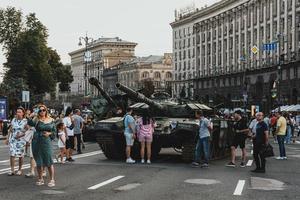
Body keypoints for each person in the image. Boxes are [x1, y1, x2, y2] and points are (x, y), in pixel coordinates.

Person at [28, 104, 56, 187]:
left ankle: (52, 179)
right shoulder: (36, 119)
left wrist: (49, 133)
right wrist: (30, 116)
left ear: (46, 110)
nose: (42, 112)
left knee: (48, 160)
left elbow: (54, 132)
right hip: (36, 141)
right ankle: (40, 178)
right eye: (40, 110)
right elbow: (30, 123)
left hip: (46, 141)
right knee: (39, 161)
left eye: (43, 110)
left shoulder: (51, 120)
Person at [5, 107, 28, 176]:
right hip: (13, 140)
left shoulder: (25, 121)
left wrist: (20, 135)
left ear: (23, 113)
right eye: (17, 112)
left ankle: (20, 169)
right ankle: (12, 170)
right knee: (12, 154)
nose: (18, 113)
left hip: (21, 140)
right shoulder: (14, 120)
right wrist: (7, 138)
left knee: (20, 155)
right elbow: (10, 130)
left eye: (19, 112)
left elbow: (27, 131)